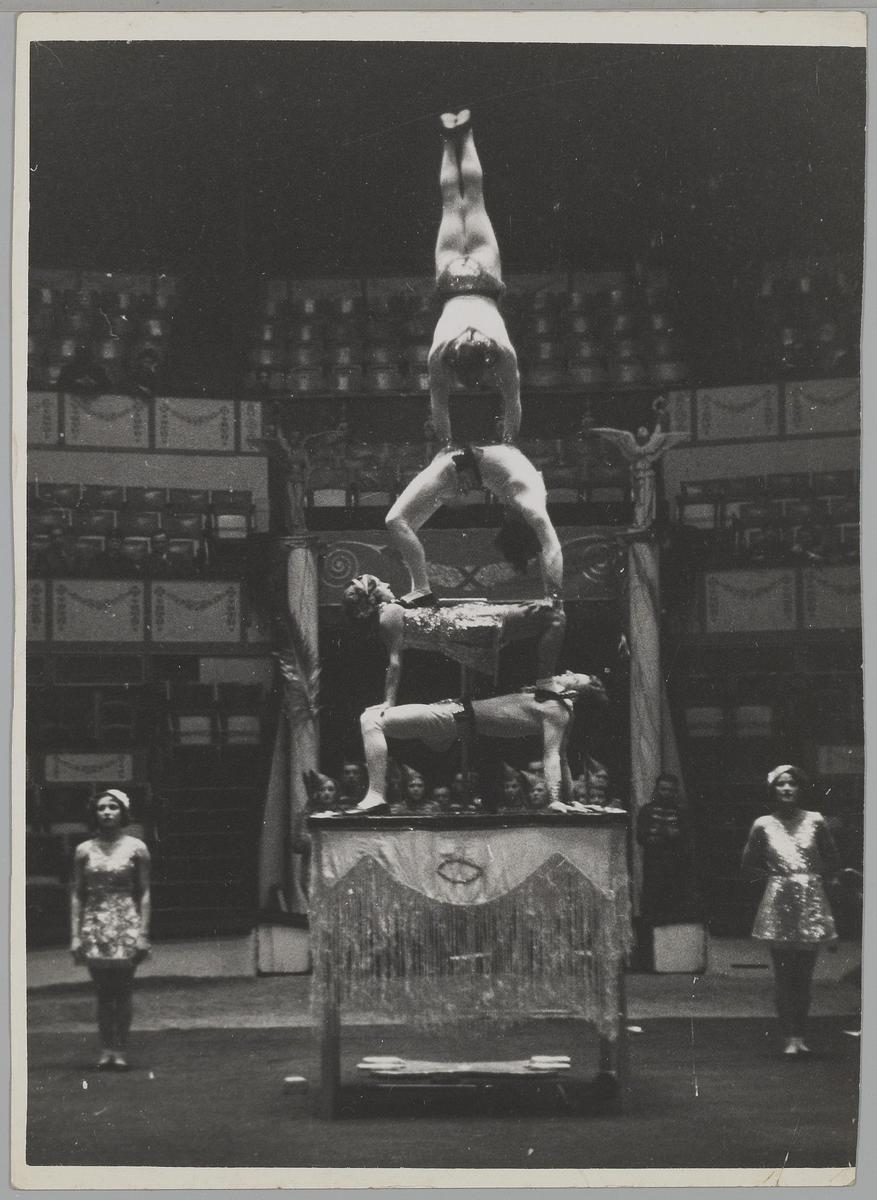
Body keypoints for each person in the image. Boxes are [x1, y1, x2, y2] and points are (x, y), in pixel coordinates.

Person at [339, 670, 607, 814]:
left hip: (450, 718)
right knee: (377, 725)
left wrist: (556, 800)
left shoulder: (557, 708)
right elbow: (562, 758)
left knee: (371, 719)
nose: (567, 672)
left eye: (574, 677)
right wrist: (570, 801)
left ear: (575, 694)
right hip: (453, 720)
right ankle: (377, 794)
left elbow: (552, 756)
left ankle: (375, 796)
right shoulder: (559, 710)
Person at [428, 110, 520, 448]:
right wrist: (507, 444)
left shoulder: (500, 351)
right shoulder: (442, 354)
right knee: (453, 201)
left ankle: (463, 134)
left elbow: (440, 408)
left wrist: (447, 446)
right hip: (451, 280)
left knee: (473, 198)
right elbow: (512, 404)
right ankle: (450, 138)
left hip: (484, 280)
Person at [343, 575, 566, 706]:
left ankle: (544, 684)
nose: (387, 584)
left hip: (459, 633)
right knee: (553, 615)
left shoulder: (389, 615)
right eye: (380, 583)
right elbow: (394, 662)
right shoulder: (390, 613)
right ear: (372, 596)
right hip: (463, 624)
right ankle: (545, 684)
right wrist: (388, 702)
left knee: (548, 620)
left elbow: (419, 591)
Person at [385, 443, 564, 605]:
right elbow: (552, 548)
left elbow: (548, 548)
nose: (505, 512)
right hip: (452, 467)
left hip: (452, 469)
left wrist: (551, 597)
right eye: (508, 516)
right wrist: (553, 598)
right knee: (399, 522)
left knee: (398, 522)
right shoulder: (528, 503)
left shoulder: (530, 495)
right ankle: (421, 590)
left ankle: (421, 590)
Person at [741, 764, 840, 1058]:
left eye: (792, 784)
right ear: (773, 790)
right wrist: (777, 880)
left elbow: (832, 858)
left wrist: (810, 879)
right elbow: (748, 864)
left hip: (809, 901)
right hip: (780, 902)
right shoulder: (763, 824)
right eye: (781, 784)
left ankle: (801, 1035)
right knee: (784, 976)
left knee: (804, 976)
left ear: (799, 789)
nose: (786, 789)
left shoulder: (816, 820)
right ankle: (788, 1037)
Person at [69, 790, 151, 1071]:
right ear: (94, 813)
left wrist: (142, 934)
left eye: (113, 807)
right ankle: (106, 1050)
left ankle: (121, 1050)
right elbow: (77, 893)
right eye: (101, 808)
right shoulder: (83, 850)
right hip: (95, 923)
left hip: (125, 922)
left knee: (123, 990)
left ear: (123, 812)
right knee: (103, 993)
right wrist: (75, 934)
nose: (106, 812)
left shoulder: (137, 848)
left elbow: (145, 891)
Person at [635, 773, 694, 925]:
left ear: (675, 792)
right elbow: (641, 837)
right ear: (657, 789)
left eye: (670, 790)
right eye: (663, 789)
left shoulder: (681, 813)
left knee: (672, 904)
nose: (666, 793)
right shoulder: (647, 811)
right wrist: (668, 833)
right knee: (652, 903)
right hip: (653, 863)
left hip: (674, 864)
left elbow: (684, 837)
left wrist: (657, 833)